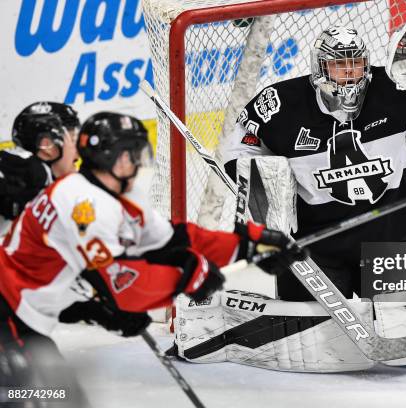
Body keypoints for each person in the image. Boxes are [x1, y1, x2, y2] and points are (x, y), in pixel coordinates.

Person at [0, 111, 301, 395]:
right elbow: (126, 287)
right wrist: (185, 279)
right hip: (8, 311)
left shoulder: (114, 196)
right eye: (131, 154)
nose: (138, 163)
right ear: (109, 158)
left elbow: (176, 239)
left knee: (54, 395)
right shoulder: (83, 204)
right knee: (40, 395)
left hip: (22, 312)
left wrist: (247, 243)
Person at [221, 22, 406, 302]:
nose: (351, 74)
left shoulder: (394, 88)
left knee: (405, 320)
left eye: (357, 65)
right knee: (313, 336)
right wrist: (262, 188)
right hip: (315, 243)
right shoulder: (281, 104)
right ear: (320, 68)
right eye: (340, 66)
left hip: (391, 233)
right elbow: (240, 147)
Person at [0, 102, 81, 237]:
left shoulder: (45, 179)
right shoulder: (31, 172)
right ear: (48, 146)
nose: (79, 153)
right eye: (73, 140)